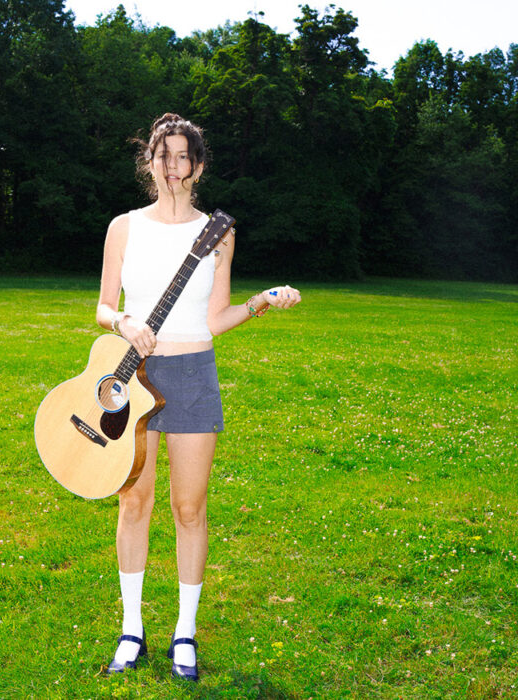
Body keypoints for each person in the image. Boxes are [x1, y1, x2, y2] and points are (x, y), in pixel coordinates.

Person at [95, 113, 301, 682]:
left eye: (183, 156)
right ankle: (131, 629)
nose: (172, 166)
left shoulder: (218, 233)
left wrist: (261, 302)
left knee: (189, 509)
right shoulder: (123, 227)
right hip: (134, 375)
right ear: (149, 162)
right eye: (163, 155)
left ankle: (183, 633)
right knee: (133, 503)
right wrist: (124, 322)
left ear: (199, 166)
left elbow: (214, 319)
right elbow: (103, 306)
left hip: (193, 374)